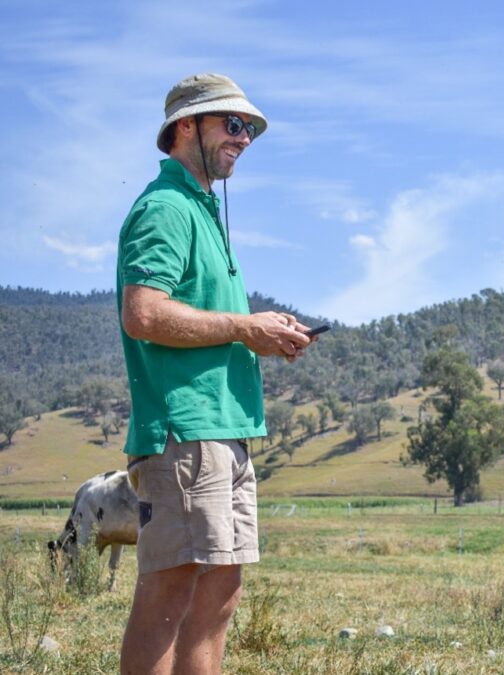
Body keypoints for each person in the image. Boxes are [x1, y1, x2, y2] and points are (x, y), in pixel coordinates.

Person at [116, 73, 312, 674]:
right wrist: (243, 328)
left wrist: (259, 332)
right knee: (169, 596)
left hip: (226, 433)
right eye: (232, 123)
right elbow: (143, 313)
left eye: (248, 128)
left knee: (219, 598)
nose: (244, 137)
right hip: (185, 433)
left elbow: (203, 319)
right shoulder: (166, 208)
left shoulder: (204, 211)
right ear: (185, 128)